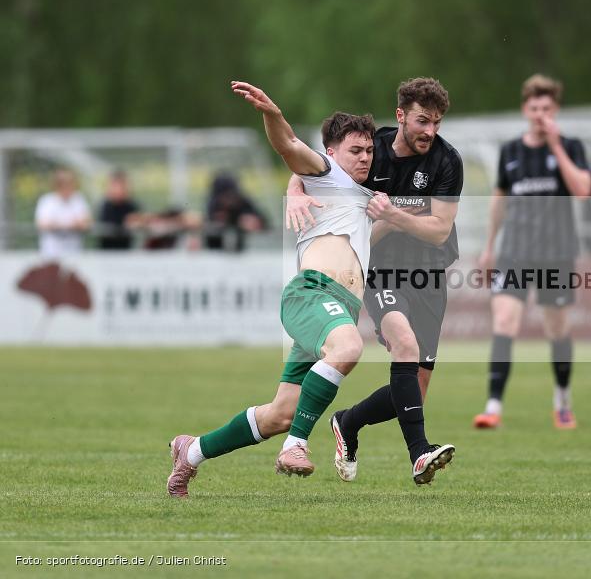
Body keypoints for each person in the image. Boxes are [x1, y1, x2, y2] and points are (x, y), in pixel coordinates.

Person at [167, 81, 382, 496]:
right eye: (356, 150)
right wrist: (272, 113)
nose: (365, 158)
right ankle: (295, 447)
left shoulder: (367, 193)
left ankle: (190, 452)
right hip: (313, 294)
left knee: (281, 413)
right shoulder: (326, 173)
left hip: (337, 308)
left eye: (370, 151)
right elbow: (288, 146)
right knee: (349, 350)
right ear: (332, 152)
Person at [291, 77, 462, 485]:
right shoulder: (371, 150)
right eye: (423, 121)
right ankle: (419, 454)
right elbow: (314, 165)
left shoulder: (446, 161)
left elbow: (439, 230)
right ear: (401, 115)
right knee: (404, 343)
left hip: (430, 272)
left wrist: (390, 215)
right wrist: (294, 190)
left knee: (413, 393)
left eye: (437, 123)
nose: (430, 131)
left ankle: (347, 422)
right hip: (379, 269)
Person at [472, 74, 591, 430]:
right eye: (535, 107)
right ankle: (493, 406)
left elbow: (583, 190)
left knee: (557, 329)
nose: (540, 114)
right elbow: (500, 201)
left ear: (556, 111)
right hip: (515, 252)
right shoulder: (510, 151)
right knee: (504, 321)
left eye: (547, 108)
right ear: (526, 109)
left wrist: (555, 146)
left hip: (556, 252)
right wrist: (490, 247)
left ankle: (562, 399)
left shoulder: (570, 146)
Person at [204, 170, 269, 252]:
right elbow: (208, 224)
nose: (229, 200)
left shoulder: (243, 201)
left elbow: (263, 222)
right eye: (226, 196)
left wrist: (256, 222)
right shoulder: (214, 204)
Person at [34, 168, 92, 258]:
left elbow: (86, 224)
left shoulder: (79, 200)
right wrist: (69, 225)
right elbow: (42, 224)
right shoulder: (47, 201)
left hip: (74, 253)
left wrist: (58, 224)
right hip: (51, 253)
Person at [97, 169, 143, 250]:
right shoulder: (106, 205)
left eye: (121, 185)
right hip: (107, 251)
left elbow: (138, 221)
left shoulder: (132, 205)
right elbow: (107, 224)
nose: (118, 189)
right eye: (115, 185)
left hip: (126, 251)